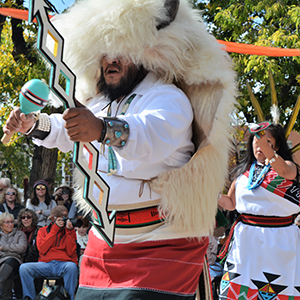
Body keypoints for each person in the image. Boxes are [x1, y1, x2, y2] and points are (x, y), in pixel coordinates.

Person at [3, 0, 237, 299]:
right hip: (105, 241)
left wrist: (100, 129)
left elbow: (150, 134)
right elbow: (67, 128)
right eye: (104, 53)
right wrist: (31, 124)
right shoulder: (100, 102)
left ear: (144, 53)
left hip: (161, 240)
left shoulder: (168, 96)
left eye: (120, 52)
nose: (110, 61)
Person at [218, 122, 300, 299]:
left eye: (266, 141)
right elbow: (231, 204)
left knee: (275, 287)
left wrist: (268, 150)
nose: (259, 145)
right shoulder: (243, 174)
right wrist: (210, 193)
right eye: (256, 141)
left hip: (279, 241)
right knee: (238, 288)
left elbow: (285, 171)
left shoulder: (288, 168)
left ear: (277, 146)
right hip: (246, 241)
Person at [19, 205, 78, 300]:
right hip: (45, 264)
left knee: (72, 267)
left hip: (63, 264)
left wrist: (69, 231)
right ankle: (30, 297)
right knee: (24, 268)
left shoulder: (70, 231)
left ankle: (69, 297)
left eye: (65, 218)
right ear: (53, 219)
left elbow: (71, 252)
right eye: (60, 219)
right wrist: (55, 229)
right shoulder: (42, 230)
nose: (63, 221)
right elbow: (42, 249)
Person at [0, 212, 27, 300]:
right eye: (7, 222)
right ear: (1, 225)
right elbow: (16, 248)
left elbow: (21, 248)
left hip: (15, 260)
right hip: (1, 261)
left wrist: (2, 248)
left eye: (12, 222)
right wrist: (11, 249)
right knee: (8, 271)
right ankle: (5, 297)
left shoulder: (19, 234)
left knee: (10, 261)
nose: (10, 224)